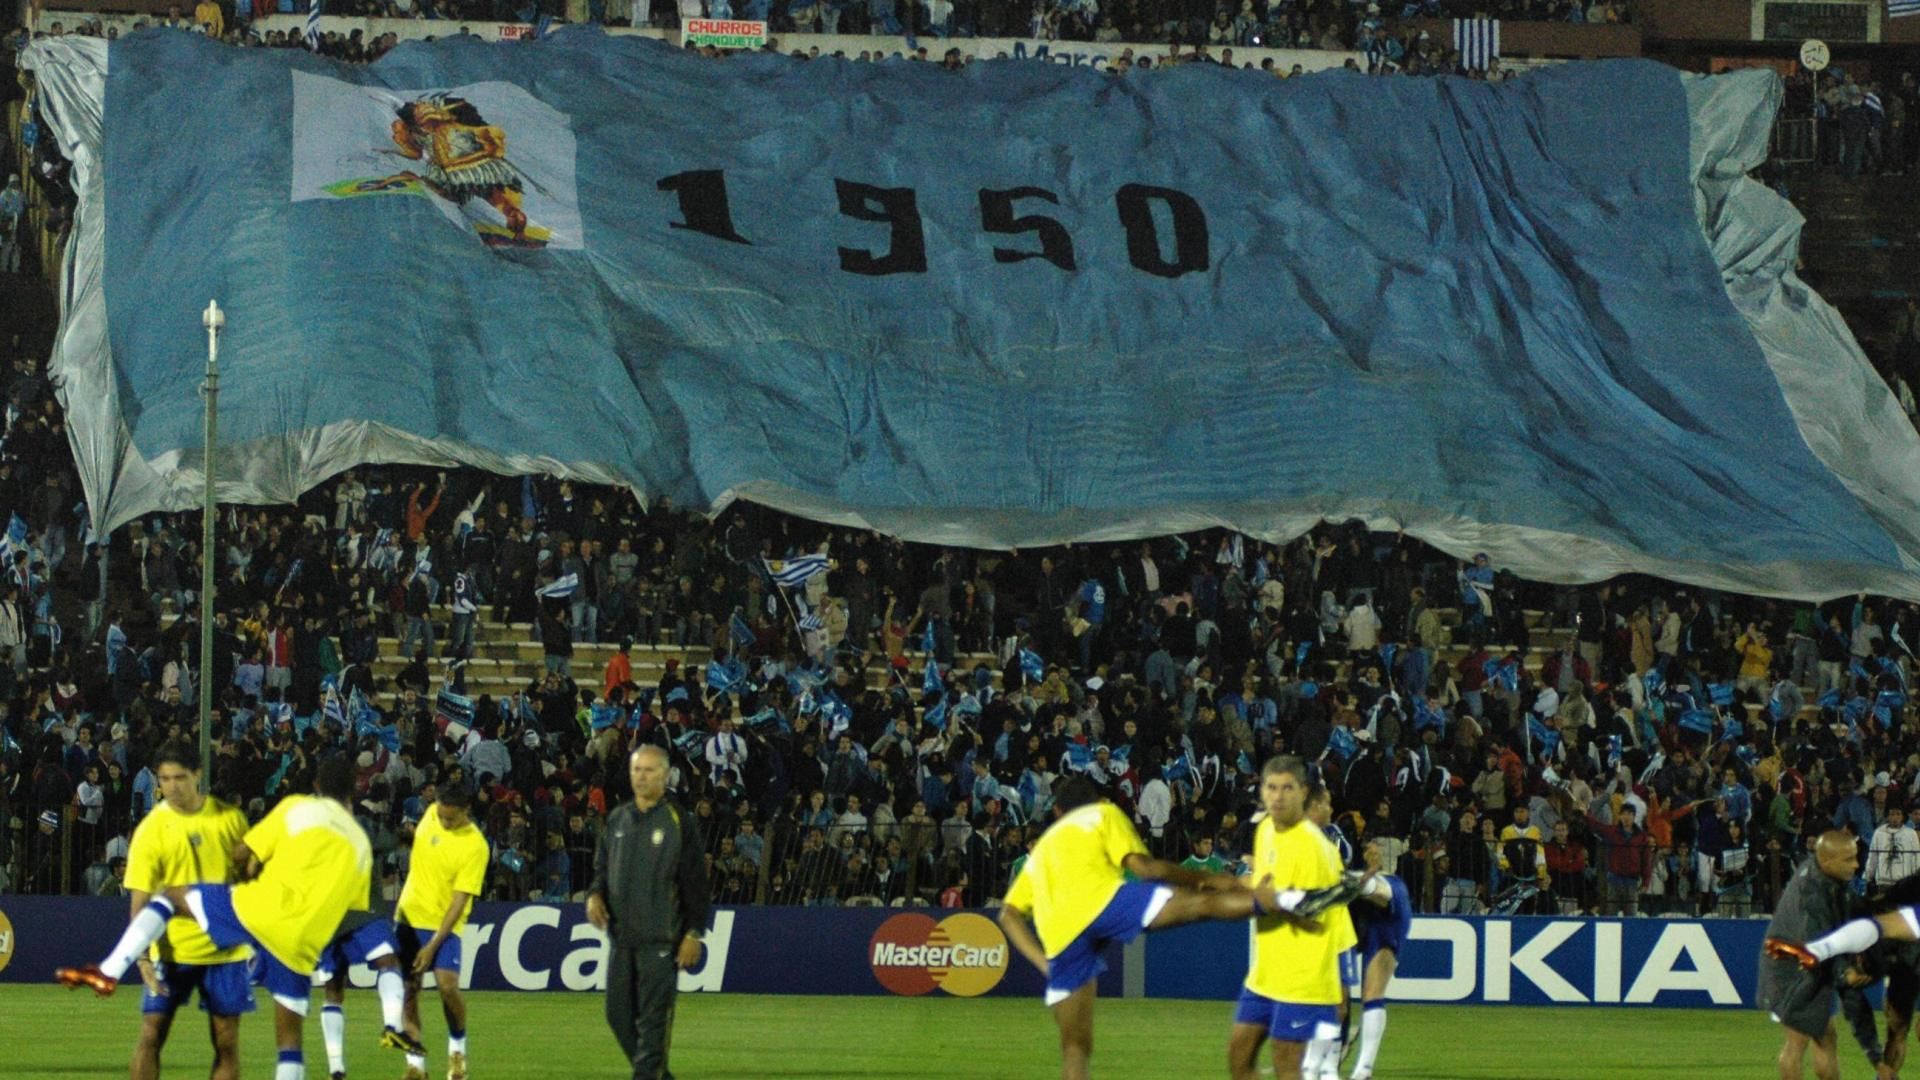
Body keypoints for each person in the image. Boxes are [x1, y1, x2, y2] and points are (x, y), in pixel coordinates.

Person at [59, 757, 374, 1080]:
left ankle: (110, 969)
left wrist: (253, 867)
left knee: (171, 895)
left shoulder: (298, 808)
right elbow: (349, 913)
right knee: (289, 1045)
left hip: (255, 912)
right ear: (357, 788)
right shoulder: (362, 845)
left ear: (317, 786)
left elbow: (244, 854)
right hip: (299, 945)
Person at [996, 775, 1300, 1080]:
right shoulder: (1103, 813)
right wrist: (1215, 879)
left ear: (1058, 811)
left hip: (1060, 937)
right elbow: (1147, 869)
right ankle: (1284, 900)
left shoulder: (1042, 850)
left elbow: (1008, 914)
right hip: (1100, 901)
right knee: (1199, 903)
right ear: (1097, 800)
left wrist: (1045, 964)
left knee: (1075, 1052)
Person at [121, 740, 252, 1080]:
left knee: (226, 1042)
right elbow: (140, 901)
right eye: (164, 779)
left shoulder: (229, 819)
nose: (172, 787)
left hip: (225, 952)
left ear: (197, 775)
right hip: (170, 949)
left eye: (179, 777)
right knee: (151, 1033)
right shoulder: (150, 830)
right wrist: (142, 958)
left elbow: (251, 885)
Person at [1228, 757, 1366, 1080]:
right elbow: (1263, 887)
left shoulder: (1315, 848)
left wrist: (1235, 897)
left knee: (1287, 1067)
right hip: (1266, 973)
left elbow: (1308, 909)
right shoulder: (1264, 830)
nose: (1278, 796)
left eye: (1287, 788)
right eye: (1271, 787)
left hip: (1303, 977)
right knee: (1239, 1056)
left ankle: (1330, 1061)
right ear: (1261, 790)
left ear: (1303, 792)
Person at [588, 744, 712, 1080]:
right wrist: (594, 894)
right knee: (617, 1016)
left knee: (654, 1024)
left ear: (665, 774)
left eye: (649, 770)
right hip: (622, 940)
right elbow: (601, 868)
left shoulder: (679, 821)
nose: (642, 777)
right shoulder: (617, 818)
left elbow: (696, 885)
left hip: (661, 941)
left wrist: (693, 932)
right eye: (637, 770)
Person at [395, 783, 490, 1080]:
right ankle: (415, 1064)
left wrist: (433, 945)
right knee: (409, 990)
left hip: (445, 924)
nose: (445, 822)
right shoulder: (430, 815)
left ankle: (457, 1051)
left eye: (451, 818)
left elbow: (460, 901)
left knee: (447, 986)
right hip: (410, 917)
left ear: (466, 811)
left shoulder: (476, 846)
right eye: (441, 815)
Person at [1758, 831, 1863, 1080]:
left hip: (1794, 964)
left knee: (1825, 1036)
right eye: (1848, 859)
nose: (1856, 865)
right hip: (1792, 968)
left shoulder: (1820, 873)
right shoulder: (1814, 897)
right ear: (1827, 861)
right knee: (1798, 1041)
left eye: (1855, 857)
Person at [311, 897, 424, 1080]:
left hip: (335, 909)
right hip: (355, 908)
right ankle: (390, 1028)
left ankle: (336, 1069)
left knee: (334, 989)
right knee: (387, 961)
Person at [1346, 841, 1413, 1080]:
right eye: (1369, 849)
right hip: (1358, 919)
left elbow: (1378, 891)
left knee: (1372, 994)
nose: (1374, 851)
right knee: (1331, 992)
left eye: (1378, 850)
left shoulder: (1392, 884)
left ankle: (1364, 1068)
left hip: (1386, 921)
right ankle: (1335, 1046)